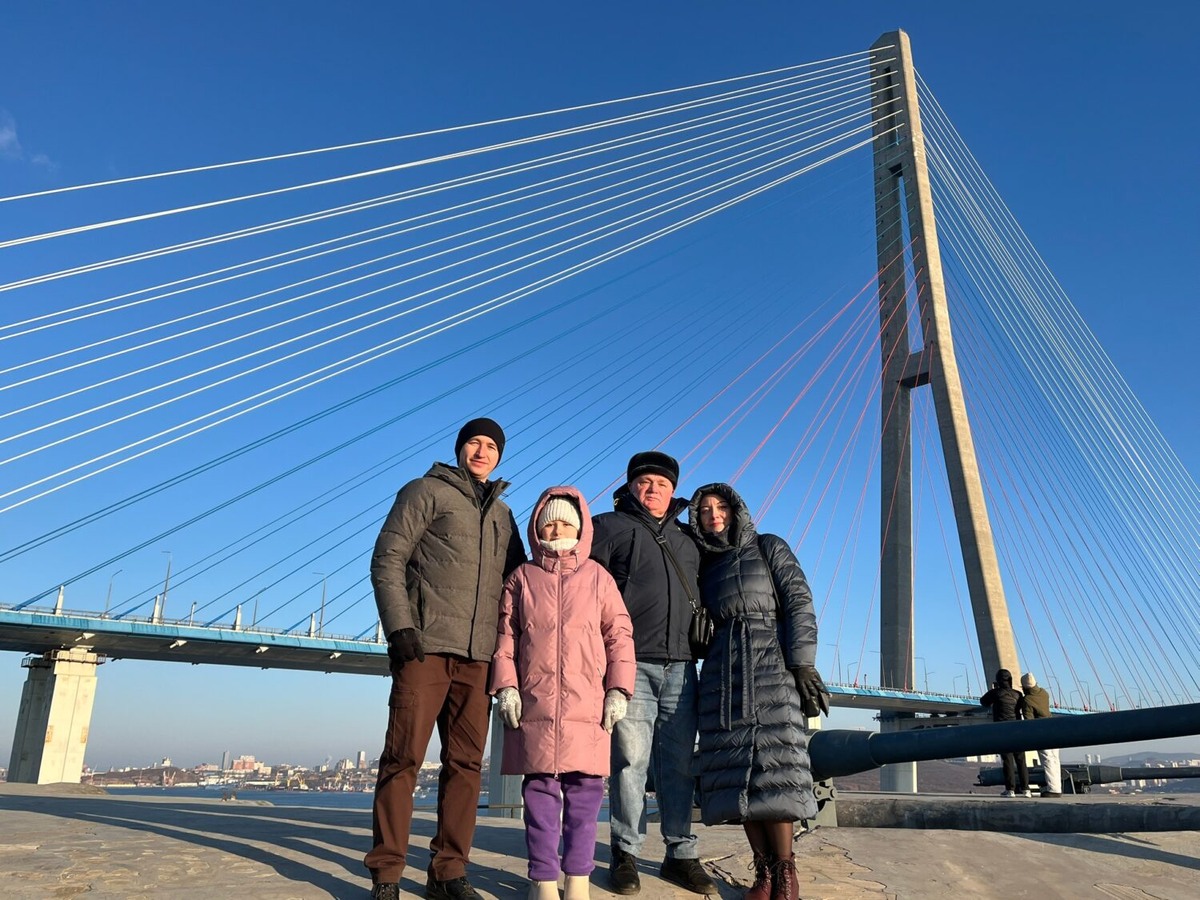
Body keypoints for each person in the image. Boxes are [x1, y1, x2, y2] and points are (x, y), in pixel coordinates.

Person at [365, 418, 526, 900]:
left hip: (479, 658)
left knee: (467, 766)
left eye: (491, 446)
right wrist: (400, 628)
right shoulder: (424, 491)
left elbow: (520, 584)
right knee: (403, 759)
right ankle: (387, 875)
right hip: (425, 650)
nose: (482, 451)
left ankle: (448, 873)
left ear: (499, 456)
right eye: (474, 442)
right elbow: (387, 558)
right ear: (459, 449)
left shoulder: (504, 515)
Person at [490, 487, 637, 900]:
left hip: (586, 705)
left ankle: (577, 878)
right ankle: (542, 880)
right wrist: (506, 686)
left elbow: (619, 636)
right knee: (539, 797)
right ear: (537, 528)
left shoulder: (598, 578)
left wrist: (618, 689)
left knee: (585, 798)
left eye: (565, 523)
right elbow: (505, 639)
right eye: (549, 523)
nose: (556, 530)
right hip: (535, 704)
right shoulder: (521, 579)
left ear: (581, 528)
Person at [688, 484, 829, 900]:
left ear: (736, 510)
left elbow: (799, 601)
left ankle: (786, 873)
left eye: (721, 507)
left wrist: (802, 663)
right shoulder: (703, 565)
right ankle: (763, 872)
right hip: (722, 674)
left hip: (771, 666)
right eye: (705, 510)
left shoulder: (769, 547)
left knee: (776, 770)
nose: (714, 514)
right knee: (737, 776)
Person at [590, 451, 718, 896]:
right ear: (630, 487)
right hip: (630, 663)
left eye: (662, 484)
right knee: (630, 762)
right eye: (644, 482)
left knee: (679, 764)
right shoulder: (608, 527)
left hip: (682, 665)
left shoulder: (688, 538)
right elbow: (580, 584)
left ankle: (679, 854)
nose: (652, 489)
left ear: (673, 491)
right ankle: (625, 852)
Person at [980, 668, 1030, 797]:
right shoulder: (1018, 694)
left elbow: (983, 702)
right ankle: (1026, 789)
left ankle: (1010, 789)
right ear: (1010, 680)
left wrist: (994, 689)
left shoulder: (995, 693)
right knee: (1021, 760)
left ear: (998, 680)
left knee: (1007, 760)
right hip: (1018, 729)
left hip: (1003, 730)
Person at [1020, 672, 1062, 797]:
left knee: (1047, 760)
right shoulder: (1044, 693)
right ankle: (1057, 787)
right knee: (1055, 759)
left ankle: (1053, 790)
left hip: (1042, 732)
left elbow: (1029, 721)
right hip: (1054, 729)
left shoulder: (1027, 700)